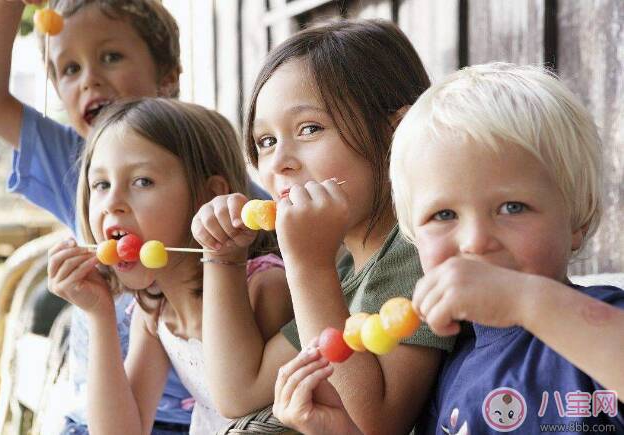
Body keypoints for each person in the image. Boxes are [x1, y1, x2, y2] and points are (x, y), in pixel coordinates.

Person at [275, 62, 624, 434]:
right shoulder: (452, 366)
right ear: (414, 237)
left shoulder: (601, 324)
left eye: (512, 207)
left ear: (578, 220)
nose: (475, 241)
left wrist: (527, 300)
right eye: (443, 215)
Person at [191, 19, 454, 434]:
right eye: (265, 142)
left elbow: (377, 422)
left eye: (309, 129)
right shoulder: (347, 270)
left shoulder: (415, 251)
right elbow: (237, 391)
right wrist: (223, 258)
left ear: (395, 136)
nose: (278, 162)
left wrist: (309, 265)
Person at [0, 1, 192, 433]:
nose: (90, 79)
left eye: (111, 56)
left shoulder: (202, 169)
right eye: (69, 69)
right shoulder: (74, 161)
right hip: (96, 414)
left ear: (168, 77)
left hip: (197, 418)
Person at [47, 97, 293, 435]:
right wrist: (100, 315)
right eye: (101, 184)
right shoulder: (155, 312)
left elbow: (259, 413)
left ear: (209, 197)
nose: (112, 204)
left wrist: (221, 252)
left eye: (142, 181)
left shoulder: (264, 288)